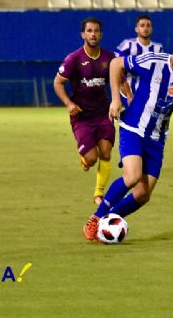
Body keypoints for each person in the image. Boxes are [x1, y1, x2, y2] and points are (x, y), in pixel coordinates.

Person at [82, 33, 173, 241]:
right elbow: (115, 64)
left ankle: (109, 222)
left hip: (157, 139)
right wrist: (115, 100)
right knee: (132, 177)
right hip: (133, 128)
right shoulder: (153, 61)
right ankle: (96, 219)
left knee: (142, 194)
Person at [53, 17, 116, 205]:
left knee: (106, 152)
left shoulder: (109, 58)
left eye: (96, 31)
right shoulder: (74, 59)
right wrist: (68, 103)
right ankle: (85, 160)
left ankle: (99, 193)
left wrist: (126, 97)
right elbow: (57, 82)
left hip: (103, 113)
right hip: (81, 117)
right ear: (83, 34)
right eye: (89, 31)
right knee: (91, 158)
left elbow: (120, 80)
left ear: (101, 34)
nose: (93, 34)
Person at [115, 14, 163, 105]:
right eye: (142, 25)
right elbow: (116, 68)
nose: (145, 28)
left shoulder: (158, 48)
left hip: (150, 94)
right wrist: (127, 92)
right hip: (129, 93)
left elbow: (159, 72)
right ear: (136, 29)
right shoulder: (127, 45)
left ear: (151, 29)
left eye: (148, 25)